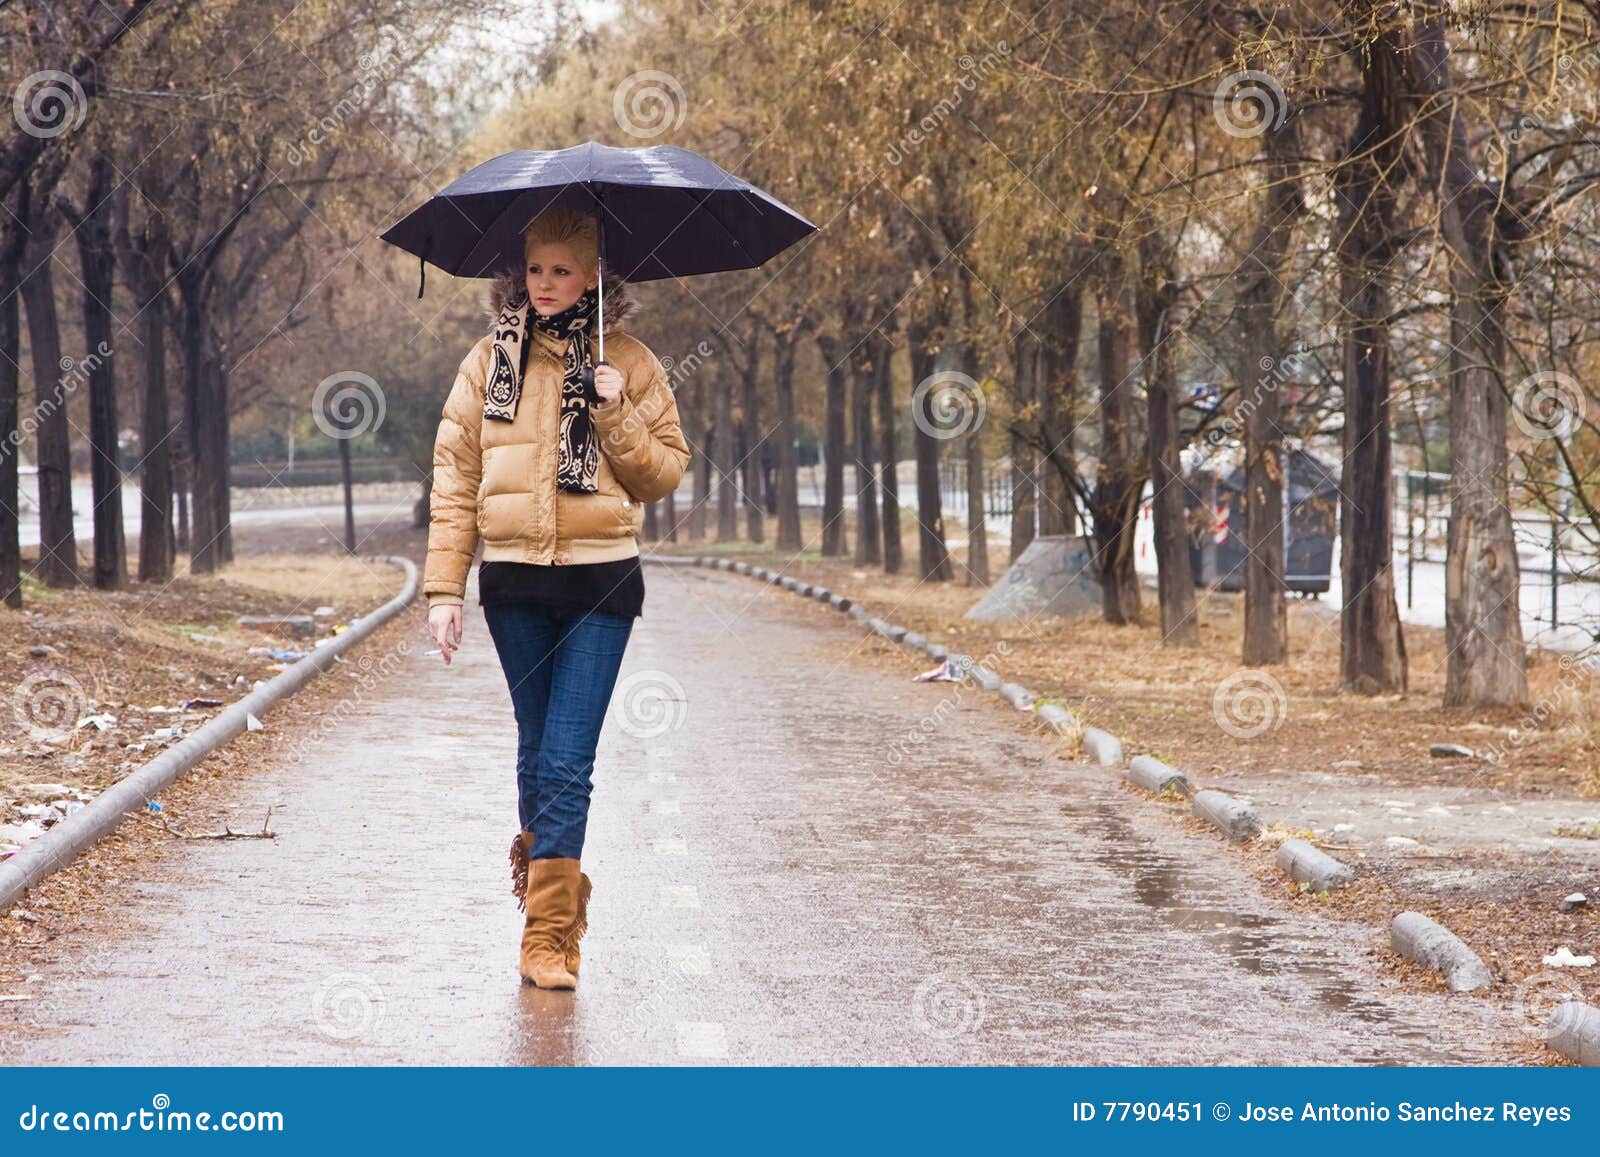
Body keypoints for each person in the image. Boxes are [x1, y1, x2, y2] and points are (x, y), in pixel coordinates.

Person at [423, 205, 690, 990]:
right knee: (537, 753)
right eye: (535, 269)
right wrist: (445, 587)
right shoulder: (486, 363)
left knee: (568, 759)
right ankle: (554, 881)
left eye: (562, 270)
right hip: (512, 585)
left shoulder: (630, 363)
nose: (545, 284)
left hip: (601, 583)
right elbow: (456, 477)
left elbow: (663, 475)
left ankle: (547, 936)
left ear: (594, 276)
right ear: (519, 273)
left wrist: (615, 411)